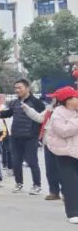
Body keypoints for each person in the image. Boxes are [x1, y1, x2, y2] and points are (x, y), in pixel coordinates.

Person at [0, 79, 46, 195]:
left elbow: (42, 119)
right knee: (16, 162)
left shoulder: (37, 102)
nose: (17, 90)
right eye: (15, 88)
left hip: (30, 137)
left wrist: (39, 137)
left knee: (32, 162)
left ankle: (37, 185)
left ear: (27, 88)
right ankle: (18, 183)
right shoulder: (15, 102)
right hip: (15, 137)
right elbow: (9, 113)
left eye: (19, 87)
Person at [41, 86, 78, 222]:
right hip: (65, 153)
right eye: (76, 97)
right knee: (70, 184)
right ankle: (73, 213)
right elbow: (63, 131)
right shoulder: (58, 113)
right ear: (68, 100)